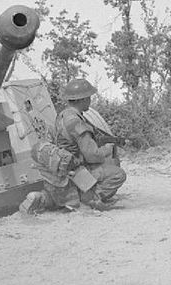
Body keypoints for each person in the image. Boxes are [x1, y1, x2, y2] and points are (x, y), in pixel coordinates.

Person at [21, 78, 127, 215]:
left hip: (61, 170)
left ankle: (40, 198)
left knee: (57, 199)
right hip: (76, 169)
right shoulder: (76, 122)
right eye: (88, 97)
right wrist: (107, 149)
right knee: (117, 173)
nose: (90, 100)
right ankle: (92, 199)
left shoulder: (63, 115)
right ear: (82, 99)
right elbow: (92, 155)